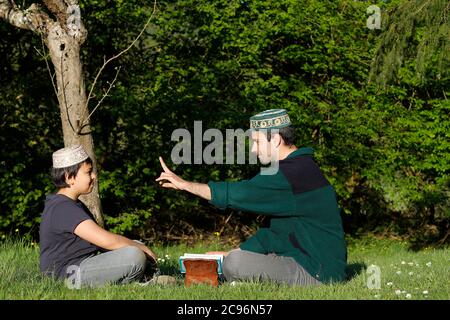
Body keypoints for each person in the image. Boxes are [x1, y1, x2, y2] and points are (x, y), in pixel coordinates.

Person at [156, 109, 347, 286]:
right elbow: (275, 233)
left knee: (234, 263)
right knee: (233, 258)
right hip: (313, 264)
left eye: (257, 142)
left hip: (318, 272)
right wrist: (234, 251)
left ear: (275, 140)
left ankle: (228, 273)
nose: (254, 150)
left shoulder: (292, 174)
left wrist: (186, 185)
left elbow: (240, 193)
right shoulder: (299, 168)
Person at [40, 144, 158, 288]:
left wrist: (137, 245)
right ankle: (141, 282)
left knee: (134, 245)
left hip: (80, 267)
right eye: (88, 172)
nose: (94, 176)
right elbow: (106, 241)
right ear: (69, 177)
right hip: (67, 275)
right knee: (134, 255)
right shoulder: (62, 207)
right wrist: (143, 250)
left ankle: (138, 281)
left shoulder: (70, 204)